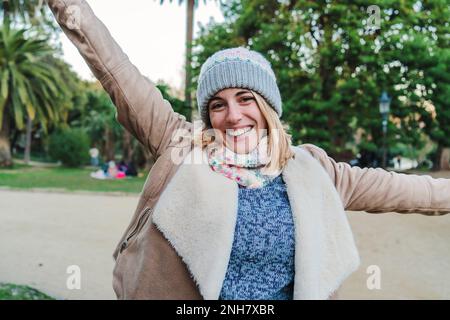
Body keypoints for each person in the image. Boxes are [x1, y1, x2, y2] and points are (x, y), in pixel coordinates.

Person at [47, 0, 450, 300]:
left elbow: (405, 189)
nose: (233, 115)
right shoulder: (181, 148)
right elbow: (115, 70)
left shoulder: (312, 169)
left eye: (246, 98)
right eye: (218, 104)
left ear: (269, 106)